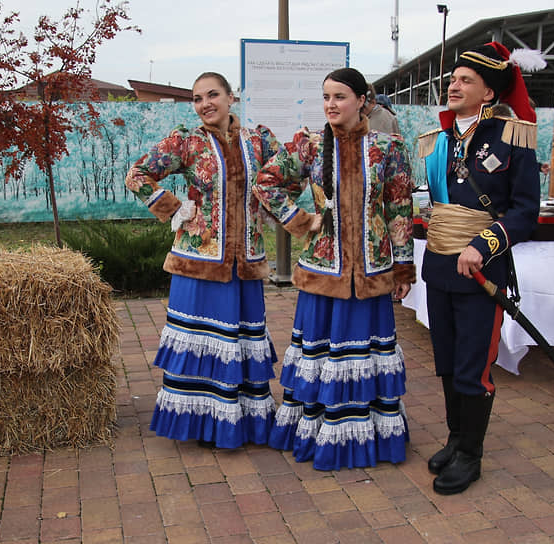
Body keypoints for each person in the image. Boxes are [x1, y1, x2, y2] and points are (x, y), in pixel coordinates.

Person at [254, 68, 415, 471]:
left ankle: (366, 432)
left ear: (362, 100)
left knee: (364, 355)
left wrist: (403, 268)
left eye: (340, 97)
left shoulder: (389, 147)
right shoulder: (309, 146)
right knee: (321, 354)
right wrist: (299, 219)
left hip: (371, 271)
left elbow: (399, 207)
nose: (331, 105)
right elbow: (266, 182)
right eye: (326, 97)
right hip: (323, 273)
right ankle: (317, 428)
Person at [125, 72, 279, 449]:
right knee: (202, 344)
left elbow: (284, 181)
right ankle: (202, 423)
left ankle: (241, 421)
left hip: (244, 264)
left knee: (239, 342)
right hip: (198, 262)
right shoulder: (187, 141)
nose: (205, 103)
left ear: (231, 97)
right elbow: (137, 174)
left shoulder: (259, 141)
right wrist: (174, 207)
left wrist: (290, 213)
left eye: (213, 95)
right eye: (197, 98)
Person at [417, 42, 542, 494]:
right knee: (447, 361)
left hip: (481, 270)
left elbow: (525, 211)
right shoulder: (439, 142)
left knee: (474, 365)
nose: (454, 85)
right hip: (439, 266)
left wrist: (483, 244)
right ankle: (456, 439)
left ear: (488, 93)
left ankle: (471, 454)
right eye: (453, 79)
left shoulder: (513, 136)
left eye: (466, 80)